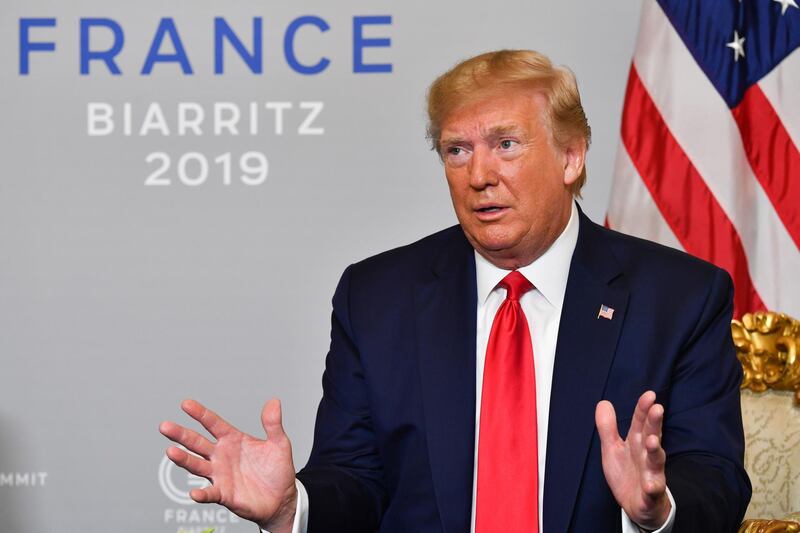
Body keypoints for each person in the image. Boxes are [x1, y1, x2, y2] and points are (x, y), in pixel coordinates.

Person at [159, 50, 751, 532]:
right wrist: (293, 507)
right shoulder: (377, 297)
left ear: (571, 156)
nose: (479, 175)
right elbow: (357, 480)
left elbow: (714, 477)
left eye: (506, 144)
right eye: (457, 150)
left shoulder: (679, 298)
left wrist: (656, 511)